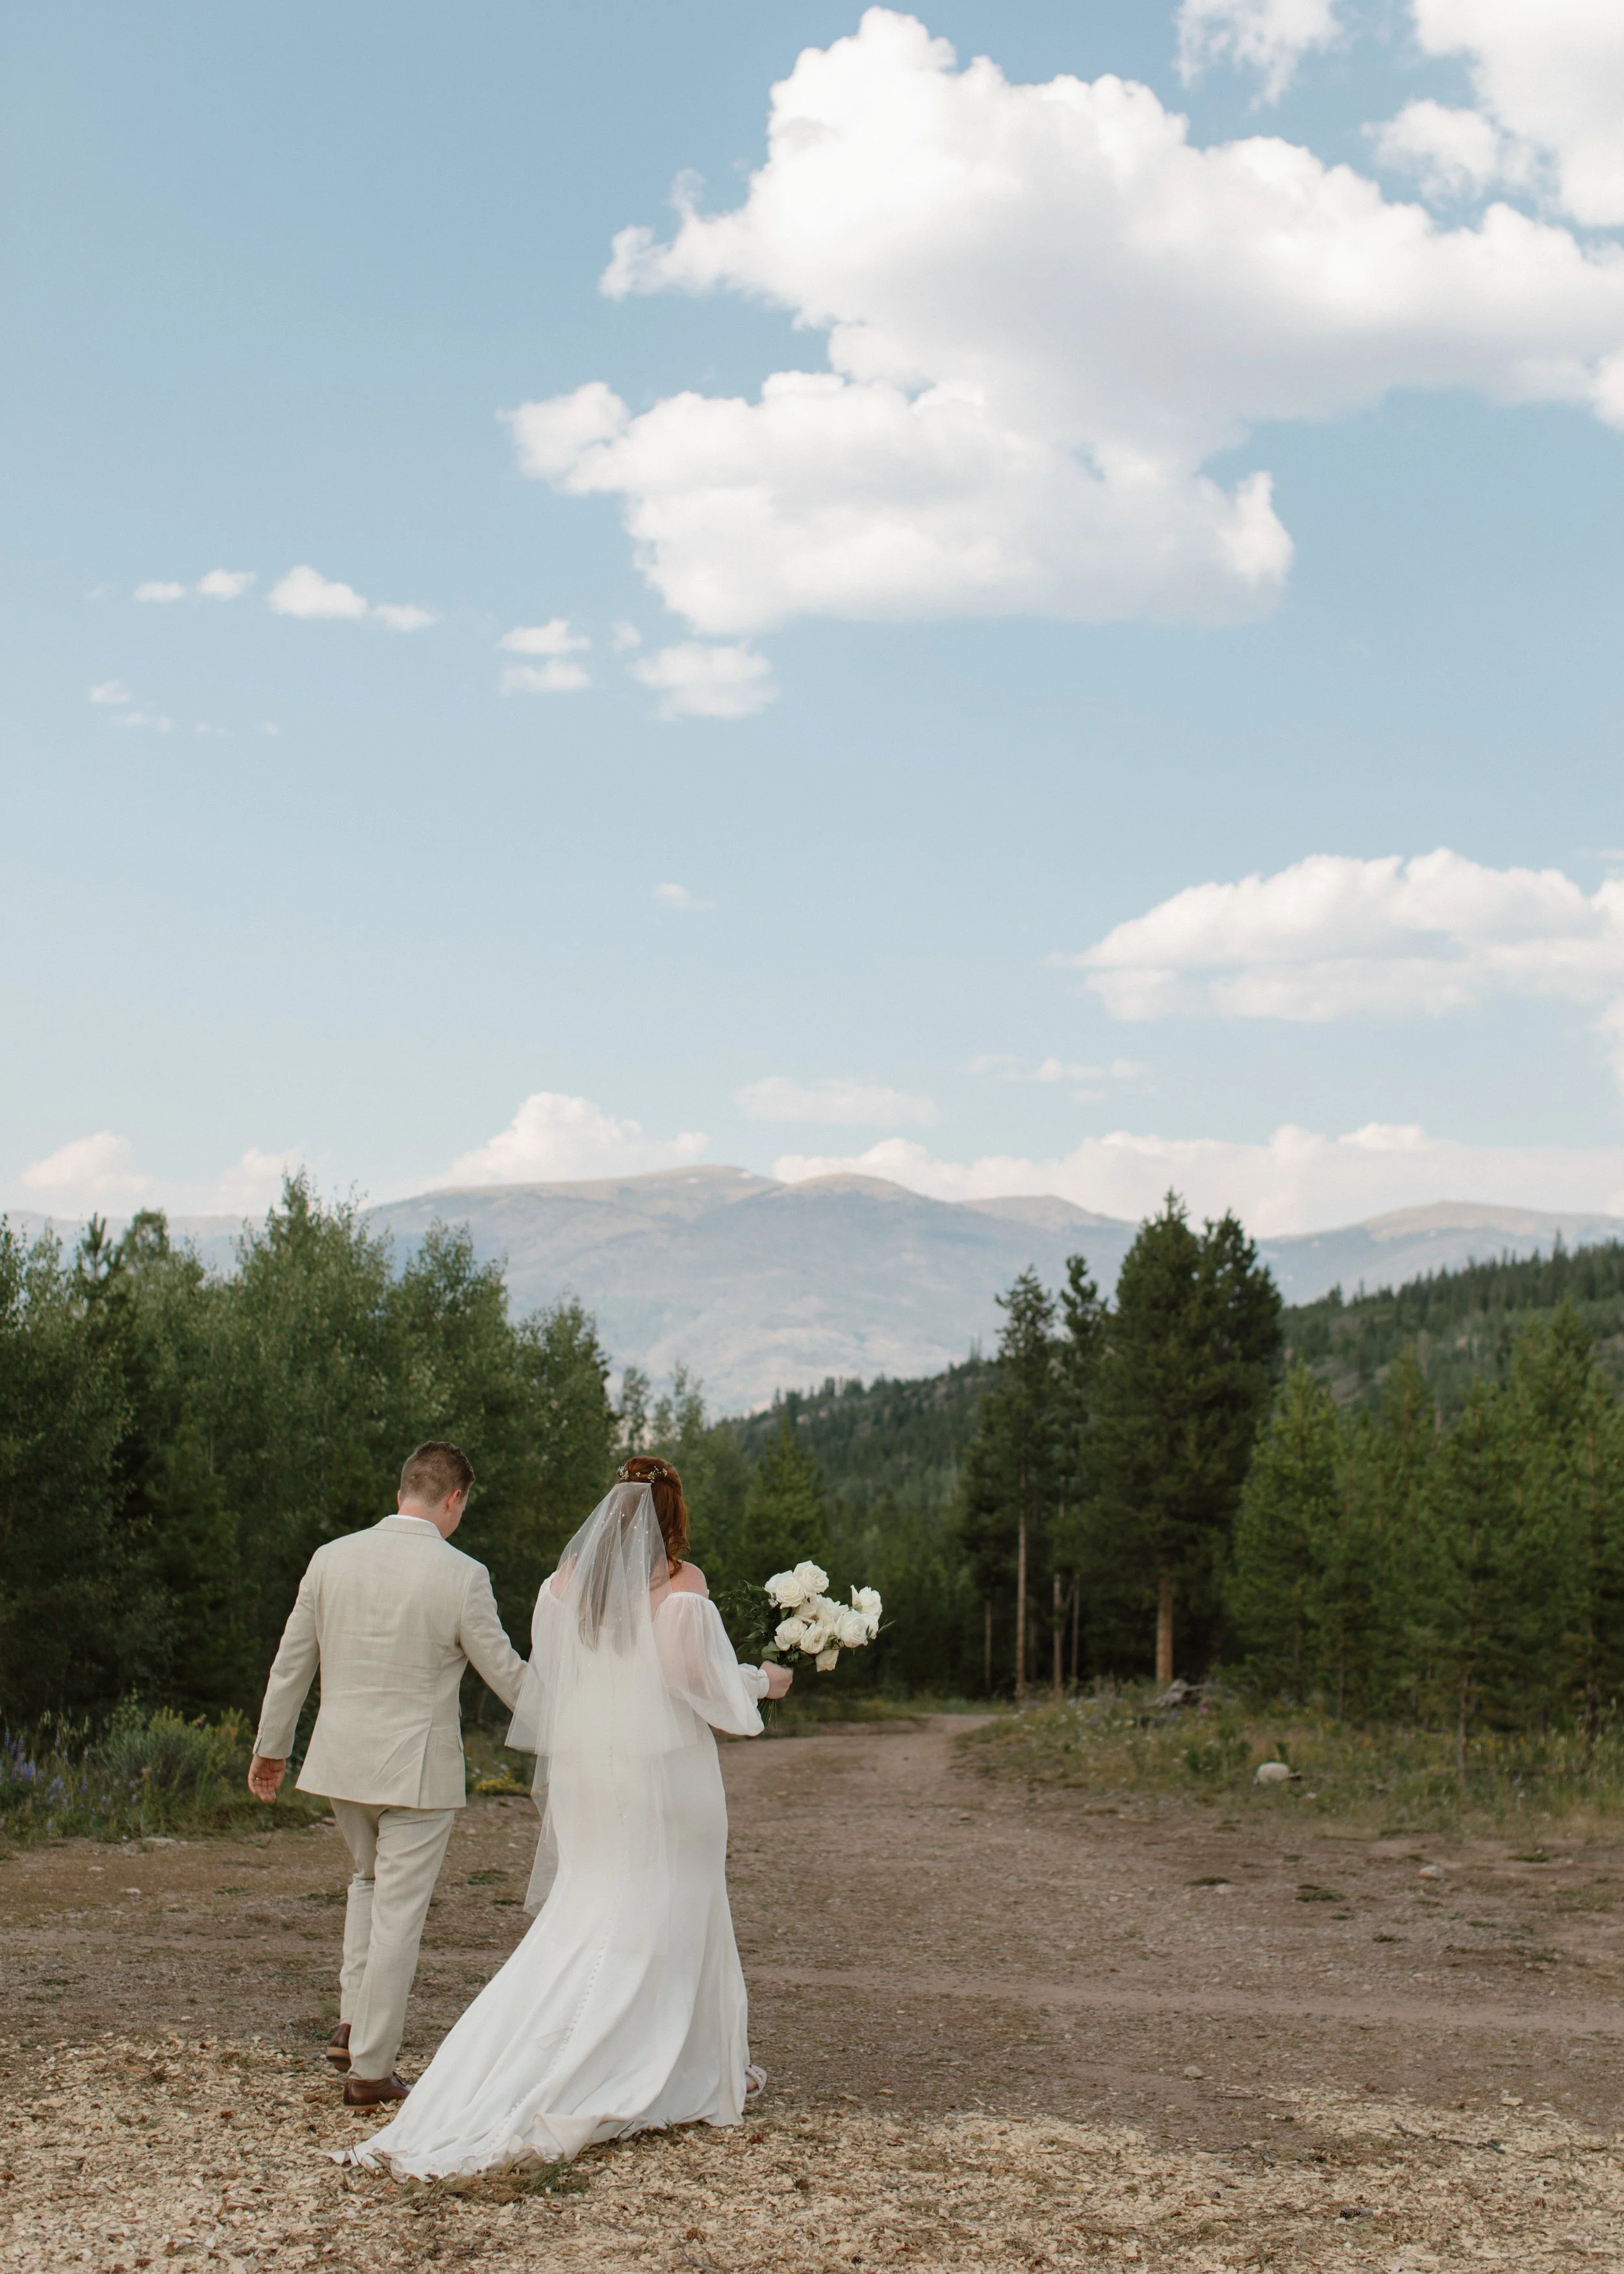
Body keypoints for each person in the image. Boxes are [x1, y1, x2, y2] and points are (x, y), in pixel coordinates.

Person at [344, 1453, 793, 2178]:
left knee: (590, 1911)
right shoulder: (682, 1585)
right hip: (666, 1777)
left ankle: (539, 2055)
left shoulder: (559, 1589)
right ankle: (672, 2063)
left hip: (587, 1776)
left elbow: (557, 1680)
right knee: (675, 1909)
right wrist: (764, 1680)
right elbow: (701, 1687)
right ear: (671, 1516)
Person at [247, 1440, 527, 2106]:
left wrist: (271, 1747)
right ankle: (371, 2069)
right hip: (416, 1771)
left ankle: (352, 2020)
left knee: (367, 1881)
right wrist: (575, 1722)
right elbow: (507, 1671)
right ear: (454, 1497)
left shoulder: (330, 1558)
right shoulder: (461, 1573)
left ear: (405, 1486)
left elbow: (291, 1663)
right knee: (399, 1910)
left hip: (343, 1764)